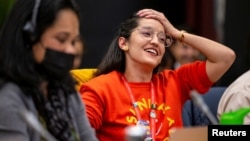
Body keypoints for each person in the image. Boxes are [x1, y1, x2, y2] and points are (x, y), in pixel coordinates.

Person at [79, 9, 235, 141]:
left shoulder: (174, 81)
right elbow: (75, 133)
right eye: (147, 34)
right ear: (123, 43)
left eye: (162, 38)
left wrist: (176, 33)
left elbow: (225, 57)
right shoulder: (100, 88)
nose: (155, 41)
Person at [0, 0, 98, 141]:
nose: (70, 50)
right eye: (61, 39)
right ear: (30, 36)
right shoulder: (8, 98)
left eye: (73, 41)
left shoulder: (66, 91)